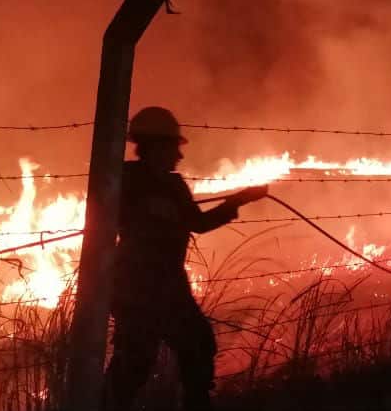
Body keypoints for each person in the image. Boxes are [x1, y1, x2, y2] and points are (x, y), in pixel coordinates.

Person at [102, 107, 268, 411]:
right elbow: (107, 221)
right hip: (135, 286)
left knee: (199, 344)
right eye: (173, 148)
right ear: (154, 146)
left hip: (170, 285)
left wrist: (238, 200)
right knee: (135, 362)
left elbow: (198, 224)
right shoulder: (124, 180)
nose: (178, 156)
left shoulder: (173, 185)